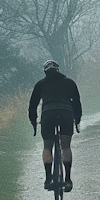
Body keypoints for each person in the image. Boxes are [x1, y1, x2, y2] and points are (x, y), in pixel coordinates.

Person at [28, 59, 82, 191]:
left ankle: (48, 179)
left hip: (48, 115)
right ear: (58, 70)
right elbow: (76, 103)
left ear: (45, 71)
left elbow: (32, 106)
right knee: (65, 146)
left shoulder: (40, 84)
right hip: (66, 114)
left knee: (47, 146)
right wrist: (77, 121)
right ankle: (68, 179)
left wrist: (34, 123)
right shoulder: (69, 82)